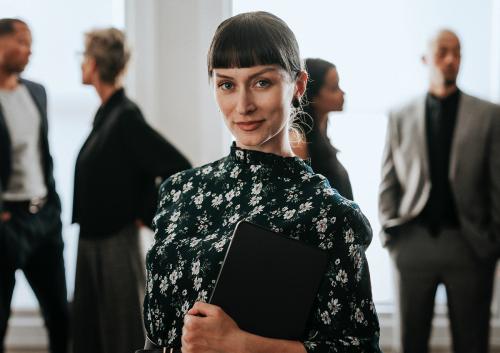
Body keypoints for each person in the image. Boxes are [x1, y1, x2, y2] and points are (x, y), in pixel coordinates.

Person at [142, 11, 381, 353]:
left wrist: (241, 345)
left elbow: (361, 348)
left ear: (298, 85)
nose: (243, 106)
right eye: (227, 84)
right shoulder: (179, 191)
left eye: (262, 82)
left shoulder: (329, 214)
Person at [379, 29, 500, 353]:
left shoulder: (489, 115)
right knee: (411, 342)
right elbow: (388, 181)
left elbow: (497, 185)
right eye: (443, 52)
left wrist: (492, 243)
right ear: (425, 59)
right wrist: (391, 234)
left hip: (469, 243)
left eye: (457, 52)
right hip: (412, 242)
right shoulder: (400, 115)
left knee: (472, 342)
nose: (451, 60)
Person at [72, 28, 191, 353]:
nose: (80, 64)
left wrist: (145, 212)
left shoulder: (124, 115)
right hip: (92, 241)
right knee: (89, 334)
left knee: (122, 335)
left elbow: (177, 167)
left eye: (83, 57)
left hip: (115, 243)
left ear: (94, 64)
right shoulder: (106, 115)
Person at [0, 18, 69, 353]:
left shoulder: (37, 91)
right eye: (23, 42)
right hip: (7, 223)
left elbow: (43, 154)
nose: (30, 51)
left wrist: (53, 205)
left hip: (43, 218)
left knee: (60, 315)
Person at [293, 58, 353, 200]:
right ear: (313, 95)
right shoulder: (298, 141)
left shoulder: (322, 131)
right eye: (334, 88)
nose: (342, 93)